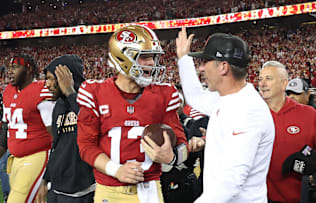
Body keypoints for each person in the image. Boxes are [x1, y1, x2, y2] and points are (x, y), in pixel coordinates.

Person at [76, 25, 188, 203]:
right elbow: (85, 146)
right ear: (123, 57)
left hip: (149, 188)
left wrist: (172, 157)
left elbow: (182, 144)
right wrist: (116, 170)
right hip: (109, 190)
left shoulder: (164, 94)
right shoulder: (95, 92)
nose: (151, 63)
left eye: (152, 57)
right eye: (144, 57)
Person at [176, 27, 275, 202]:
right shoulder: (227, 99)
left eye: (205, 62)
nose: (201, 68)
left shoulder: (249, 110)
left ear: (223, 67)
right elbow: (195, 96)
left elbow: (230, 181)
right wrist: (184, 59)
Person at [258, 61, 316, 203]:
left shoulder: (309, 115)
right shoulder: (250, 116)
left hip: (301, 198)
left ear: (283, 84)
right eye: (260, 79)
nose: (262, 83)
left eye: (269, 78)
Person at [35, 55, 95, 203]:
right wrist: (45, 179)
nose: (47, 85)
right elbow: (57, 147)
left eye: (51, 79)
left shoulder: (89, 100)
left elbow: (91, 123)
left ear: (66, 77)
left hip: (82, 192)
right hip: (57, 190)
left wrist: (70, 92)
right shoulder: (59, 106)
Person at [2, 53, 55, 202]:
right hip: (15, 159)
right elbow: (6, 126)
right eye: (9, 68)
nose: (10, 72)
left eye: (15, 67)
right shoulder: (8, 91)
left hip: (36, 156)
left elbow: (54, 133)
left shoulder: (41, 90)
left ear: (29, 69)